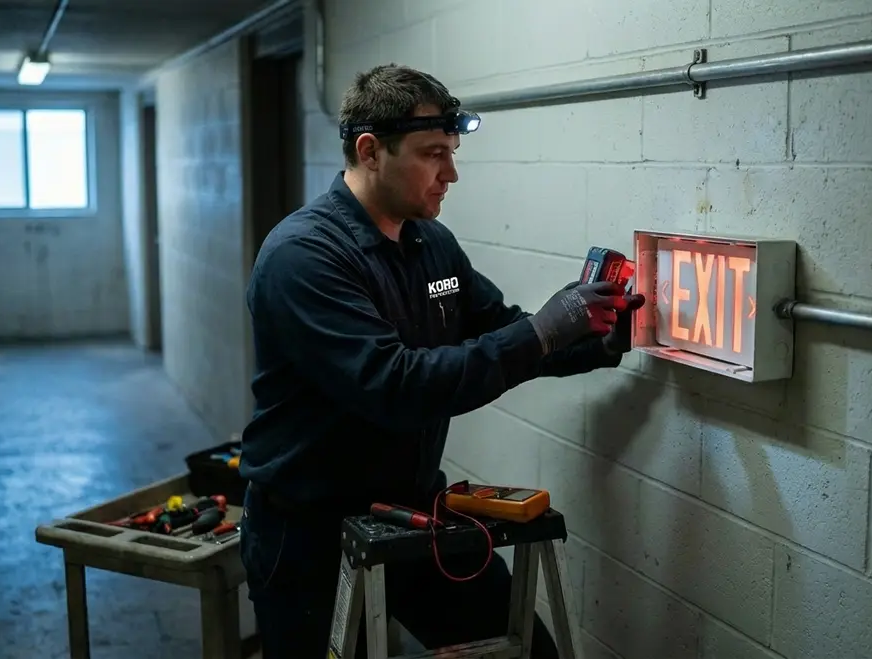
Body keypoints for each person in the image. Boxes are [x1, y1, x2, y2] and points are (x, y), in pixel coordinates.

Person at [237, 63, 646, 658]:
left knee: (528, 650)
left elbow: (504, 334)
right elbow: (395, 388)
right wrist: (543, 330)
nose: (451, 173)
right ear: (370, 151)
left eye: (451, 152)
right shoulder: (304, 256)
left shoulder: (430, 243)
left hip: (411, 509)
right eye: (433, 154)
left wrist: (597, 340)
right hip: (308, 532)